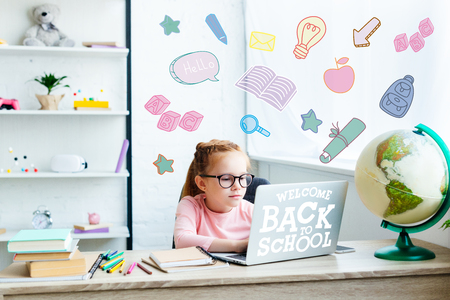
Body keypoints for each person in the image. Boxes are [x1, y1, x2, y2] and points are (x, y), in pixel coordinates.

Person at [173, 139, 255, 253]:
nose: (237, 186)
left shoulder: (253, 211)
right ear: (202, 183)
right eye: (226, 179)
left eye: (242, 178)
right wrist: (238, 245)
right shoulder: (191, 206)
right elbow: (182, 241)